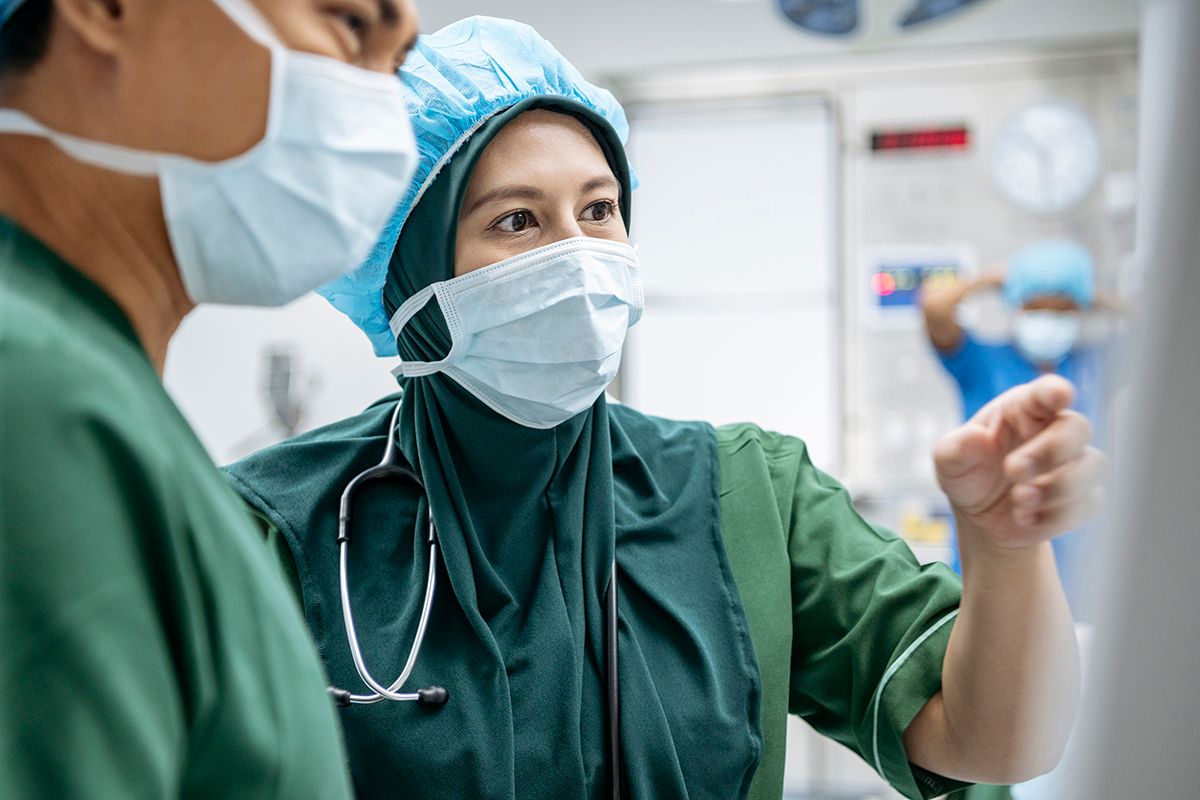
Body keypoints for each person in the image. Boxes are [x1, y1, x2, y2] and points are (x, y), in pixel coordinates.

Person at [225, 17, 1101, 800]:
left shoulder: (747, 496)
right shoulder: (269, 528)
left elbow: (991, 741)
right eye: (518, 222)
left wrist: (1007, 546)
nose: (578, 255)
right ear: (412, 273)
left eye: (600, 208)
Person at [0, 0, 419, 796]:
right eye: (349, 24)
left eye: (396, 68)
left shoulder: (98, 387)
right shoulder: (33, 401)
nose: (386, 115)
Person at [921, 240, 1110, 608]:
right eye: (1036, 306)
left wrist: (1091, 293)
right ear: (1016, 305)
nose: (1048, 319)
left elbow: (1170, 332)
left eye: (1062, 310)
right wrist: (995, 278)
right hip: (991, 554)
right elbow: (935, 308)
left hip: (1075, 566)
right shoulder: (981, 362)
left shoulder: (1093, 364)